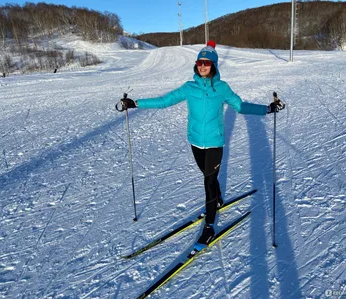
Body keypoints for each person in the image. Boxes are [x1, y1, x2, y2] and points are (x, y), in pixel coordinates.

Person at [120, 41, 283, 245]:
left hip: (215, 143)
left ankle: (209, 226)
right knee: (208, 176)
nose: (202, 66)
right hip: (195, 142)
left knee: (208, 181)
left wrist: (267, 109)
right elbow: (164, 101)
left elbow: (240, 106)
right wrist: (135, 103)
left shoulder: (222, 88)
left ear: (213, 65)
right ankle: (218, 197)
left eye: (206, 62)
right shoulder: (189, 87)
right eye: (199, 62)